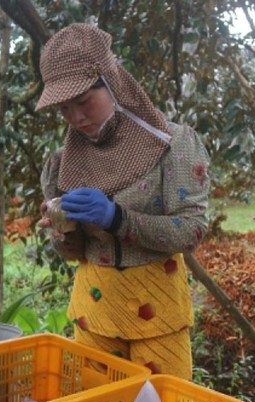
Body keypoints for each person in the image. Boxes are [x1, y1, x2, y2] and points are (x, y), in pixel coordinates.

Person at [36, 23, 210, 381]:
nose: (76, 118)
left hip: (157, 308)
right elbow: (74, 253)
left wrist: (119, 219)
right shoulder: (62, 163)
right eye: (64, 109)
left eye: (83, 102)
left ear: (113, 83)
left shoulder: (172, 144)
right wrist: (62, 230)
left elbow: (192, 230)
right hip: (94, 308)